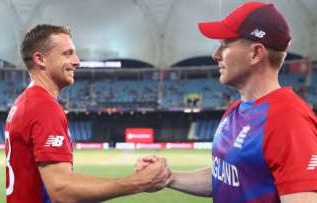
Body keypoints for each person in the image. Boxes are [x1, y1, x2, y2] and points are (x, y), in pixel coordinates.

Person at [136, 2, 317, 202]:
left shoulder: (289, 119)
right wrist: (167, 177)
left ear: (256, 53)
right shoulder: (234, 110)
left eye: (225, 44)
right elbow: (225, 177)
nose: (216, 55)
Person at [5, 24, 171, 203]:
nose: (77, 61)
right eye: (67, 53)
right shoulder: (43, 107)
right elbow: (62, 190)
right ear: (40, 59)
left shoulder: (25, 101)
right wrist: (140, 181)